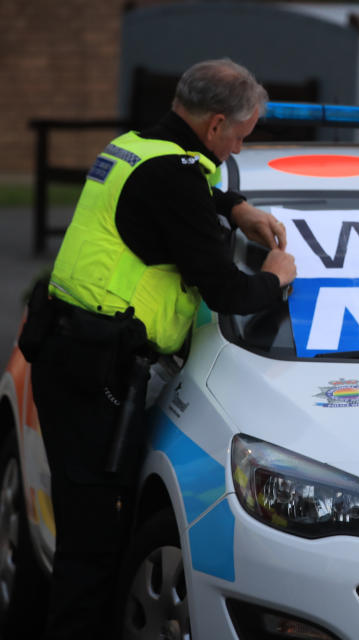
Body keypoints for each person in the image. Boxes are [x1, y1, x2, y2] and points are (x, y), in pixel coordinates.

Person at [18, 58, 297, 639]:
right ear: (217, 124)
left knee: (85, 539)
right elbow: (227, 291)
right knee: (92, 551)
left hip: (71, 354)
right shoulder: (173, 177)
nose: (242, 145)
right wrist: (275, 275)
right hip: (96, 371)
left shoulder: (135, 146)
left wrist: (233, 206)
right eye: (243, 134)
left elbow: (171, 199)